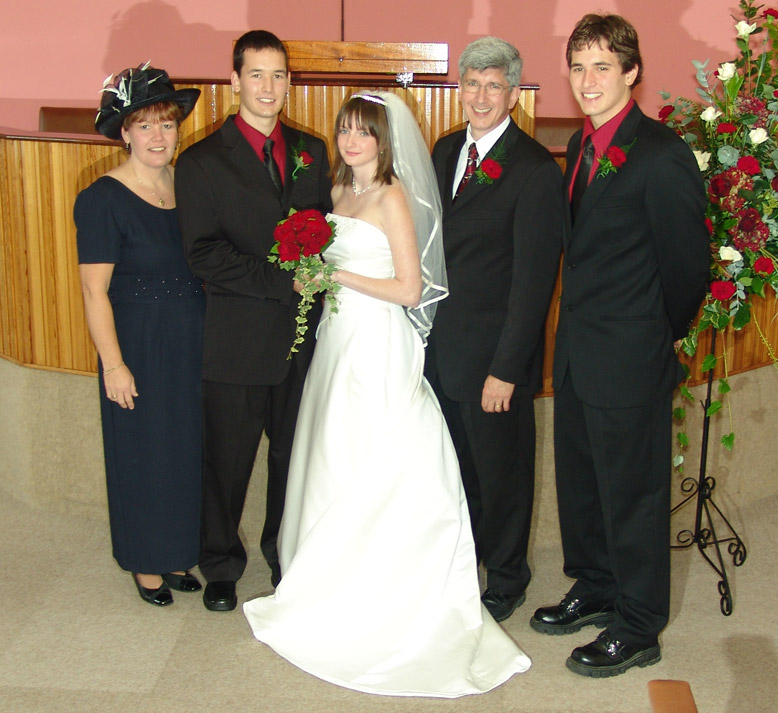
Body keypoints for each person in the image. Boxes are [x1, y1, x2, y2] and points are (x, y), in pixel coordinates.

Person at [243, 92, 531, 697]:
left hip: (376, 344)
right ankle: (327, 580)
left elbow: (409, 288)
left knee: (375, 455)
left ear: (383, 141)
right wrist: (310, 269)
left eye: (363, 133)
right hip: (338, 339)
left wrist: (332, 274)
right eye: (345, 130)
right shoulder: (338, 192)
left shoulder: (394, 196)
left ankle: (386, 591)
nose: (351, 142)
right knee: (331, 453)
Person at [529, 14, 708, 677]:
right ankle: (597, 583)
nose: (588, 81)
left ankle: (638, 623)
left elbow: (689, 267)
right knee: (582, 485)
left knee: (631, 493)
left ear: (632, 71)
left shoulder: (661, 153)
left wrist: (653, 334)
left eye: (603, 66)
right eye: (578, 67)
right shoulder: (581, 146)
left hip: (631, 356)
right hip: (578, 350)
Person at [175, 31, 332, 612]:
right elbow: (203, 253)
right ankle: (219, 563)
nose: (269, 87)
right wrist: (279, 280)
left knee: (293, 458)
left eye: (279, 75)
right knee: (228, 459)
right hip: (237, 339)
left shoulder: (313, 151)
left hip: (303, 340)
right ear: (235, 80)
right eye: (257, 75)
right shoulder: (200, 162)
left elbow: (329, 231)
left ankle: (283, 554)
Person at [426, 37, 563, 622]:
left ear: (513, 93)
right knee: (455, 473)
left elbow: (533, 286)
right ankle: (466, 564)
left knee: (502, 478)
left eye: (494, 86)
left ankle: (507, 577)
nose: (481, 96)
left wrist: (507, 369)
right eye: (472, 84)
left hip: (492, 363)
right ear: (461, 88)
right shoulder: (443, 148)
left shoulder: (533, 169)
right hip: (441, 353)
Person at [74, 64, 204, 606]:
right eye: (145, 125)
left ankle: (175, 552)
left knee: (182, 450)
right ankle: (144, 561)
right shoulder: (102, 198)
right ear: (124, 132)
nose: (158, 136)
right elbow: (92, 291)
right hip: (138, 346)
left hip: (190, 342)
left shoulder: (186, 184)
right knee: (143, 453)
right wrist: (114, 364)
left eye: (167, 124)